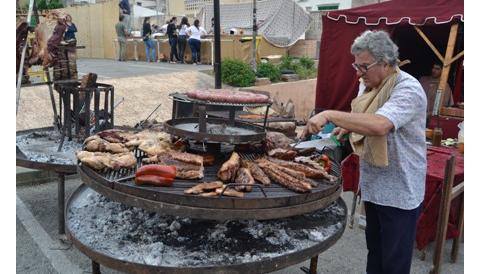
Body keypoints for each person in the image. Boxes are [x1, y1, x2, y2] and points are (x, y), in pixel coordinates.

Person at [302, 30, 427, 274]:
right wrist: (345, 127)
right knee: (375, 252)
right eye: (356, 66)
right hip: (374, 185)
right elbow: (362, 120)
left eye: (364, 67)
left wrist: (329, 114)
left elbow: (380, 125)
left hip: (400, 190)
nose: (358, 73)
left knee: (394, 264)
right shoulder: (368, 85)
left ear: (386, 62)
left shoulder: (408, 89)